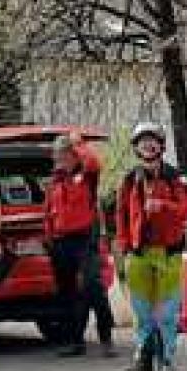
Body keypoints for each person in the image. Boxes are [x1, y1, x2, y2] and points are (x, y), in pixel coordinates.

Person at [115, 123, 187, 371]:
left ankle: (166, 357)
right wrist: (122, 246)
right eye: (143, 142)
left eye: (152, 141)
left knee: (166, 312)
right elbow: (120, 216)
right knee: (141, 312)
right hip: (138, 253)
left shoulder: (176, 178)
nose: (148, 146)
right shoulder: (130, 180)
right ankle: (143, 356)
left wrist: (164, 205)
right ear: (136, 148)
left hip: (169, 253)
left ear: (161, 146)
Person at [44, 133, 115, 358]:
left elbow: (93, 161)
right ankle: (75, 340)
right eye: (57, 155)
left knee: (93, 287)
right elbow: (49, 212)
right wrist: (49, 238)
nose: (60, 159)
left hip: (84, 238)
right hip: (60, 241)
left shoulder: (87, 175)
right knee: (67, 292)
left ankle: (106, 337)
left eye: (64, 154)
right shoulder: (54, 181)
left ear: (74, 155)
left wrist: (77, 143)